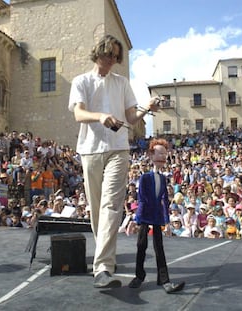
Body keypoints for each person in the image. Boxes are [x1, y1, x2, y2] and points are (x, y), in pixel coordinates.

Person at [68, 34, 161, 288]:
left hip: (118, 148)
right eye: (108, 54)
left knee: (111, 205)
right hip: (89, 149)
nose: (111, 60)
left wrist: (146, 108)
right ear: (98, 52)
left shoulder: (122, 83)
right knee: (96, 210)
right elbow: (78, 113)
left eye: (115, 57)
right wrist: (100, 117)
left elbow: (130, 117)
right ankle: (105, 259)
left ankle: (103, 268)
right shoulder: (81, 81)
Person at [128, 138, 185, 293]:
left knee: (159, 247)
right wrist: (138, 218)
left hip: (157, 215)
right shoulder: (145, 177)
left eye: (164, 154)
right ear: (151, 155)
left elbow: (165, 200)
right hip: (145, 215)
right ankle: (139, 276)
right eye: (159, 153)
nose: (162, 157)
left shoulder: (163, 178)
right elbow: (142, 199)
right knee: (141, 245)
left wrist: (166, 221)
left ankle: (164, 279)